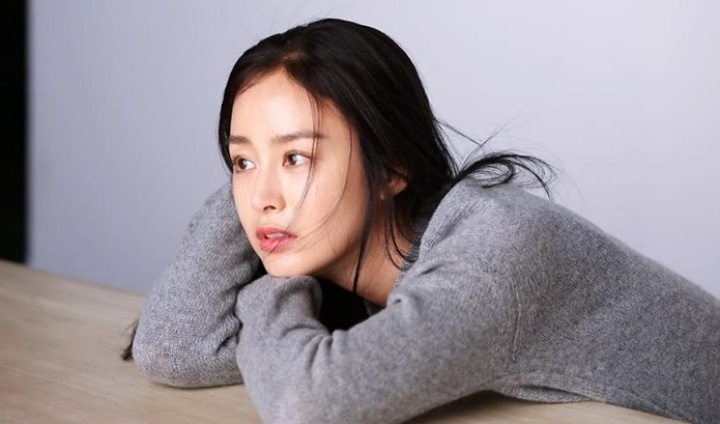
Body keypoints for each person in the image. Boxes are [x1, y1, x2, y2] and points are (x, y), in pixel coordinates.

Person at [127, 18, 720, 424]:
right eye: (239, 162)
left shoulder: (496, 253)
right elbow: (174, 348)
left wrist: (267, 286)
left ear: (392, 167)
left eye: (298, 157)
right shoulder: (364, 270)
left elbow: (309, 403)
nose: (261, 199)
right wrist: (267, 165)